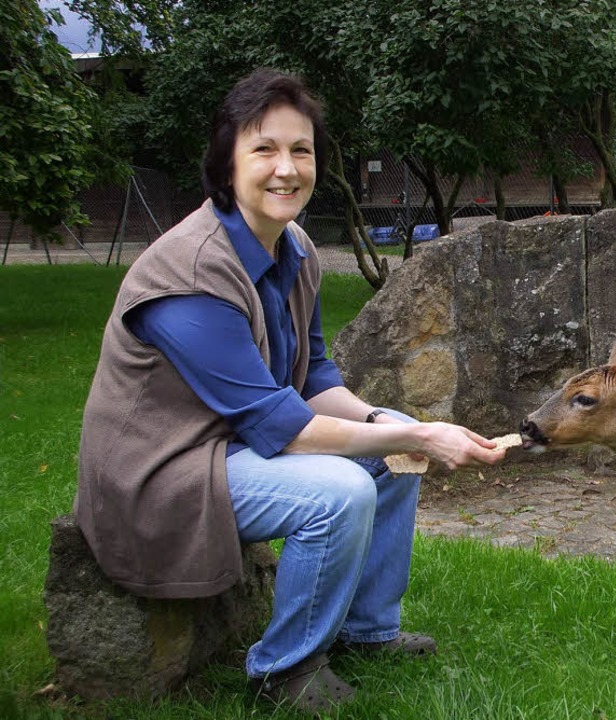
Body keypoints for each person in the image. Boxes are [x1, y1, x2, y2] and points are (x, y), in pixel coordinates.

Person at [75, 67, 505, 714]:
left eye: (301, 150)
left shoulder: (292, 246)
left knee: (392, 456)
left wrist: (389, 423)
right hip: (161, 472)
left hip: (227, 443)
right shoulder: (191, 273)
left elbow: (313, 380)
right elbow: (283, 424)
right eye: (263, 149)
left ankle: (367, 630)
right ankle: (284, 672)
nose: (286, 168)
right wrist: (417, 431)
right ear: (227, 168)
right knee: (341, 492)